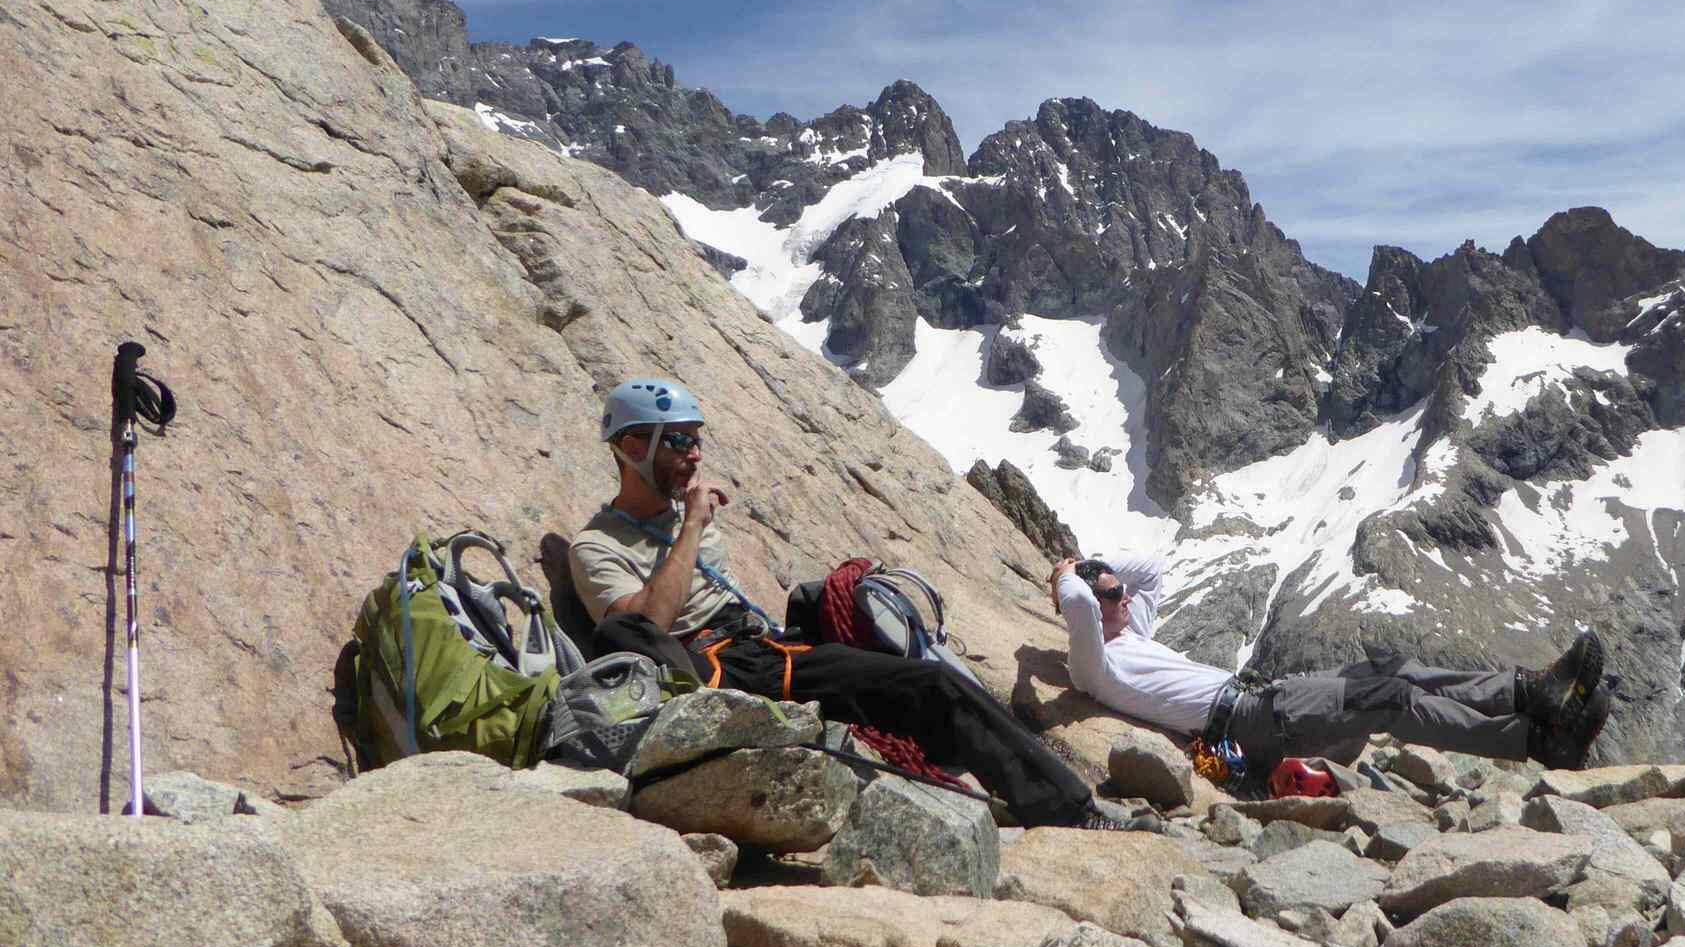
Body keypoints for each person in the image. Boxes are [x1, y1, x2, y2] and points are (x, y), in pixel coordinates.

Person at [570, 377, 1103, 828]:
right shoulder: (598, 547)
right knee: (933, 685)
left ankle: (978, 761)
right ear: (634, 448)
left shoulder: (684, 514)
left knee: (908, 668)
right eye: (678, 442)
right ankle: (1071, 811)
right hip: (719, 666)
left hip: (765, 648)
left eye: (695, 440)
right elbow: (645, 627)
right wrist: (690, 528)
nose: (695, 454)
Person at [1049, 551, 1613, 775]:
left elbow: (1151, 569)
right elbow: (1077, 605)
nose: (1126, 596)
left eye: (1121, 590)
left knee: (1390, 669)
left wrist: (1098, 566)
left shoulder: (1130, 629)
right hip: (1249, 722)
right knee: (1387, 700)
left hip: (1263, 700)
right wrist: (1065, 575)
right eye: (1113, 594)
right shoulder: (1095, 666)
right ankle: (1539, 745)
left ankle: (1528, 695)